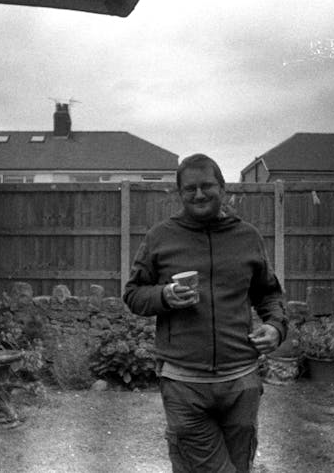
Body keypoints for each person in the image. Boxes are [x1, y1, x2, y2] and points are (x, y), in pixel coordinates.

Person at [123, 153, 287, 473]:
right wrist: (164, 295)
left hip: (241, 380)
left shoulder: (248, 236)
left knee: (239, 466)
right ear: (179, 193)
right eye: (190, 189)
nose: (199, 194)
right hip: (184, 383)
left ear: (223, 188)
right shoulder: (160, 237)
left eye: (207, 186)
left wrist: (276, 327)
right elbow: (133, 295)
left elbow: (268, 293)